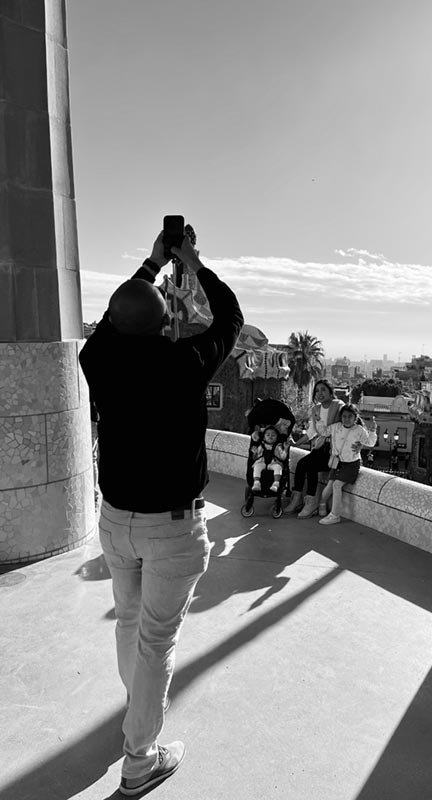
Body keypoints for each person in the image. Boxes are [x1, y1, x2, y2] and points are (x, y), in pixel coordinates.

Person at [79, 230, 243, 796]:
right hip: (171, 528)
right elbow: (231, 317)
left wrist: (152, 264)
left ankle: (137, 711)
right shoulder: (186, 361)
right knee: (155, 641)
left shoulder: (98, 361)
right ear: (160, 324)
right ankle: (140, 757)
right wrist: (191, 262)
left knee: (129, 620)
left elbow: (108, 322)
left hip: (115, 521)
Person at [284, 379, 346, 518]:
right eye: (317, 391)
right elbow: (312, 431)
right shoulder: (316, 409)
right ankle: (297, 500)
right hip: (321, 448)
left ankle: (311, 503)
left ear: (331, 392)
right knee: (301, 465)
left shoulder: (339, 406)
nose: (320, 393)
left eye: (323, 389)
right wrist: (296, 443)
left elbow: (347, 425)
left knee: (311, 466)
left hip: (333, 451)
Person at [319, 404, 377, 525]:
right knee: (329, 486)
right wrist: (318, 419)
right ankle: (322, 505)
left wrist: (372, 431)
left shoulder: (359, 430)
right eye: (344, 416)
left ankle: (335, 515)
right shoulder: (335, 427)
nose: (346, 419)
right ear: (341, 417)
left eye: (350, 416)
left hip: (351, 464)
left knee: (336, 485)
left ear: (355, 418)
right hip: (337, 463)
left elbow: (370, 442)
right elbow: (323, 431)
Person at [250, 425, 290, 491]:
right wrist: (254, 452)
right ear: (264, 438)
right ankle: (256, 483)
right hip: (262, 462)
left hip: (273, 463)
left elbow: (283, 457)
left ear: (277, 438)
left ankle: (276, 484)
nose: (270, 436)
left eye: (273, 435)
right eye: (268, 435)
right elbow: (256, 457)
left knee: (278, 467)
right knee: (257, 467)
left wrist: (285, 449)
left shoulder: (278, 447)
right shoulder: (261, 446)